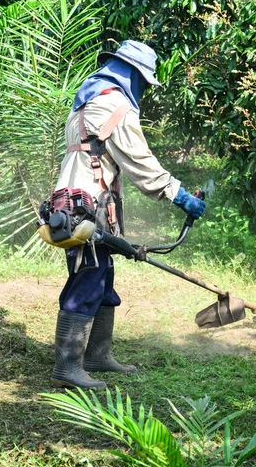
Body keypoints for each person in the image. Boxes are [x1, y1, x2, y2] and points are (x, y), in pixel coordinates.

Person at [51, 40, 206, 388]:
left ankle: (96, 355)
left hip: (78, 201)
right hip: (87, 205)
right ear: (134, 75)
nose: (144, 91)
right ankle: (67, 366)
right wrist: (178, 194)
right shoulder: (114, 104)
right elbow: (140, 161)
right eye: (145, 83)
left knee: (102, 276)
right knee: (87, 279)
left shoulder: (86, 100)